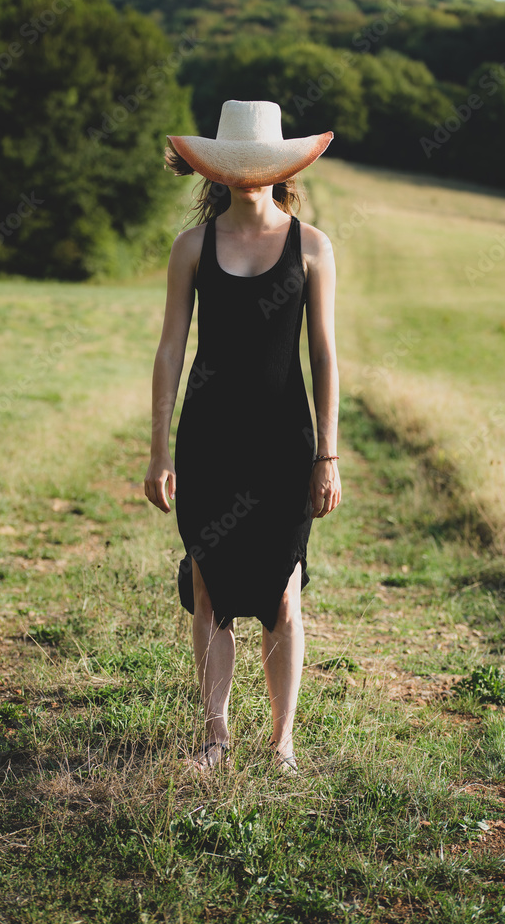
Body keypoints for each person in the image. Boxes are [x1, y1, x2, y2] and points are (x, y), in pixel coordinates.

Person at [144, 100, 341, 774]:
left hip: (285, 441)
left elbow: (325, 357)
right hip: (208, 440)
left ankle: (281, 742)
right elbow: (170, 350)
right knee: (209, 591)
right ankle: (216, 736)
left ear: (281, 169)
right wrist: (158, 448)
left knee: (282, 592)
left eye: (260, 165)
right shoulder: (192, 247)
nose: (248, 176)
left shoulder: (311, 246)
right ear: (215, 172)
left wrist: (327, 456)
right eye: (236, 166)